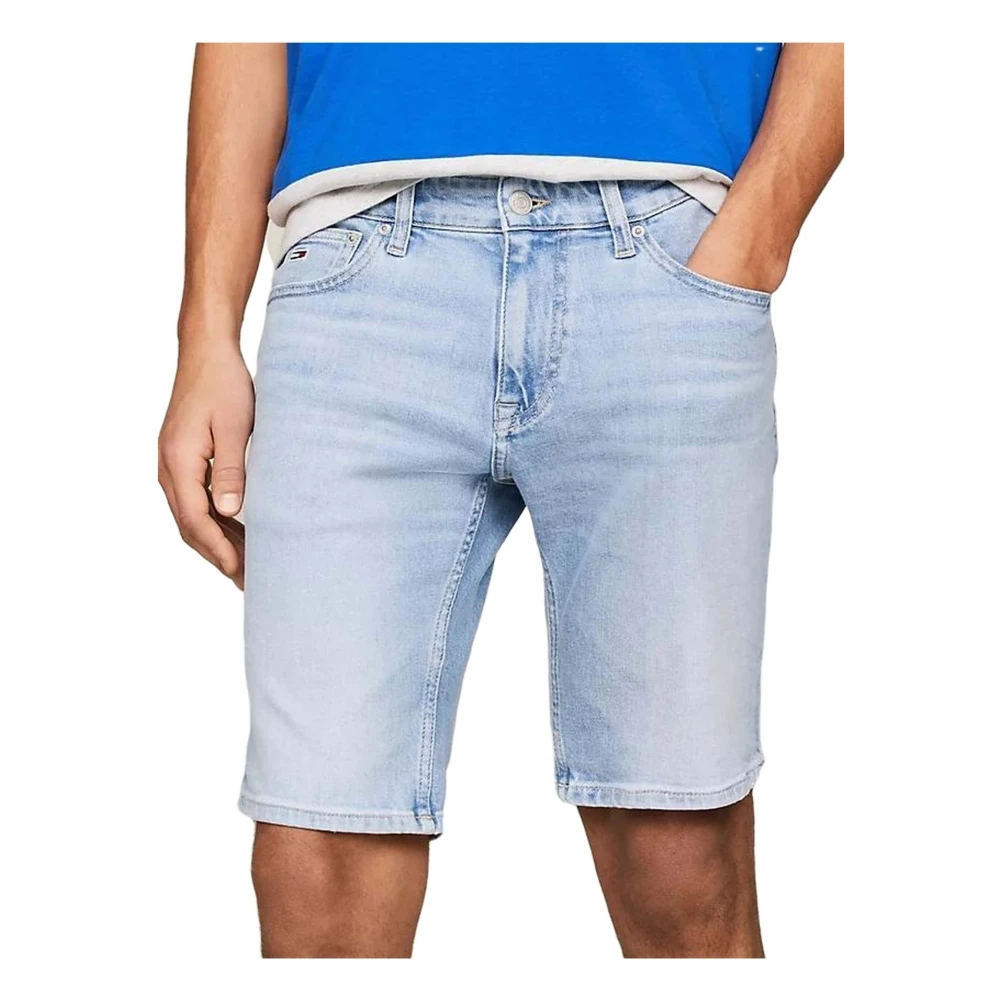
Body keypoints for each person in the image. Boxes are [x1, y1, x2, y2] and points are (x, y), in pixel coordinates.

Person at [158, 42, 844, 958]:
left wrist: (757, 235)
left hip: (661, 254)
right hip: (359, 268)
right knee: (319, 851)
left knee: (679, 849)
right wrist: (206, 329)